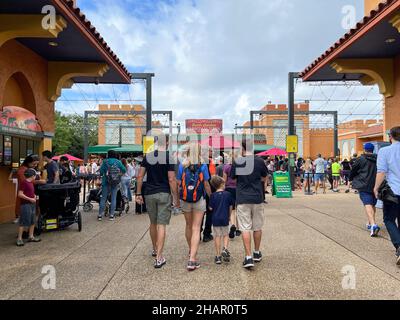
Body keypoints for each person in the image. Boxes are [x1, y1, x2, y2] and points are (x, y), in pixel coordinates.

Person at [136, 137, 179, 269]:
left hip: (149, 193)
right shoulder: (169, 157)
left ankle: (155, 249)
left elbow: (140, 176)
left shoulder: (148, 156)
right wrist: (176, 197)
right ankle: (159, 257)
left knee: (153, 223)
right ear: (166, 143)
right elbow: (171, 179)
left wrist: (138, 193)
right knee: (161, 225)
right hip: (164, 193)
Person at [230, 140, 268, 269]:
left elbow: (233, 178)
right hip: (257, 197)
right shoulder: (260, 161)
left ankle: (248, 257)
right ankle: (257, 252)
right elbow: (264, 177)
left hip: (242, 198)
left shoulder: (237, 161)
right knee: (257, 227)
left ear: (243, 148)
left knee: (245, 227)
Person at [177, 143, 211, 271]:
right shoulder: (202, 165)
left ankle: (191, 250)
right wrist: (211, 197)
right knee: (196, 228)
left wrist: (176, 199)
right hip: (199, 199)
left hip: (185, 199)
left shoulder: (182, 165)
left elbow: (179, 183)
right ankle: (192, 259)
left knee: (188, 226)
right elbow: (206, 184)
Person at [374, 127, 400, 265]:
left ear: (391, 137)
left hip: (393, 192)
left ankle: (399, 246)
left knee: (389, 219)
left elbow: (381, 172)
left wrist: (376, 188)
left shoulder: (384, 151)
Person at [350, 143, 380, 237]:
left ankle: (373, 224)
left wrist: (351, 179)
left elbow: (353, 170)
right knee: (372, 204)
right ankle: (370, 222)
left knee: (367, 204)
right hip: (376, 184)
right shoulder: (378, 159)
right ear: (373, 150)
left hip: (363, 184)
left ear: (364, 149)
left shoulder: (361, 159)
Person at [209, 175, 234, 265]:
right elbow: (231, 206)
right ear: (222, 184)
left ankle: (218, 256)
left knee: (217, 236)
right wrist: (229, 215)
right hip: (225, 217)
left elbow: (210, 208)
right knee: (225, 234)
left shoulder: (212, 195)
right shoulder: (228, 194)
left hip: (215, 218)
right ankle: (225, 248)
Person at [98, 150, 126, 221]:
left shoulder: (105, 161)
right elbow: (124, 170)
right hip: (115, 182)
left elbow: (101, 172)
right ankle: (111, 215)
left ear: (108, 155)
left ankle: (100, 215)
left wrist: (103, 174)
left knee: (103, 198)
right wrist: (119, 175)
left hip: (106, 182)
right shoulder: (118, 162)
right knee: (114, 198)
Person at [16, 169, 41, 246]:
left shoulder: (30, 183)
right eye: (35, 175)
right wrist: (30, 199)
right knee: (23, 222)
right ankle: (19, 239)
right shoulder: (24, 182)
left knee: (32, 221)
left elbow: (30, 192)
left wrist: (34, 196)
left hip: (32, 204)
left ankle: (31, 236)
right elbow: (20, 194)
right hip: (26, 205)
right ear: (32, 176)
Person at [223, 155, 240, 239]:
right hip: (238, 189)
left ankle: (233, 224)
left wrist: (223, 190)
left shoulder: (226, 167)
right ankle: (238, 228)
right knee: (238, 209)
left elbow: (224, 180)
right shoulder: (240, 167)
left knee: (231, 210)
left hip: (228, 189)